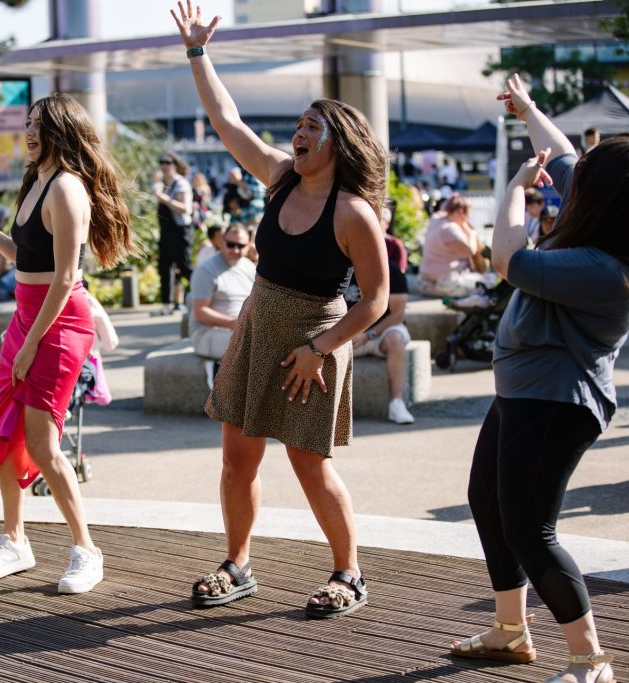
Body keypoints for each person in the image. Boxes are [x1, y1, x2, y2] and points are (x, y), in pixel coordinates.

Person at [171, 1, 389, 618]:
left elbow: (372, 300)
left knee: (308, 463)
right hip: (259, 324)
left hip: (313, 340)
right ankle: (237, 564)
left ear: (339, 142)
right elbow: (226, 118)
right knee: (236, 458)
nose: (300, 133)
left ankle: (349, 573)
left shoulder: (353, 213)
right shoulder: (280, 177)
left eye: (314, 127)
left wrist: (318, 350)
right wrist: (197, 52)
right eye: (300, 123)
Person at [449, 74, 629, 683]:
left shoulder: (603, 270)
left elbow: (507, 258)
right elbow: (565, 156)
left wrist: (516, 186)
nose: (578, 170)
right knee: (487, 504)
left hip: (556, 401)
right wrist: (528, 110)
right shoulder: (602, 219)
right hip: (523, 392)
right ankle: (511, 631)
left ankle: (590, 661)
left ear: (605, 196)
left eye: (590, 172)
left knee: (530, 529)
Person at [0, 92, 133, 595]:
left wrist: (29, 343)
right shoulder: (36, 181)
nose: (28, 132)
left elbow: (66, 277)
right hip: (28, 318)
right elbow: (25, 257)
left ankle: (87, 550)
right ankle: (14, 541)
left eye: (38, 125)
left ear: (60, 131)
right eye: (27, 122)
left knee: (43, 444)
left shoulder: (67, 188)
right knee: (4, 434)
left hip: (60, 323)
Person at [348, 239, 415, 425]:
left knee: (396, 339)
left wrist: (369, 334)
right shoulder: (339, 269)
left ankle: (397, 402)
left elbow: (398, 314)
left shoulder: (391, 270)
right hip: (347, 333)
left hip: (379, 333)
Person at [189, 224, 256, 362]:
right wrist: (233, 323)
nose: (235, 250)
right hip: (207, 332)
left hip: (242, 329)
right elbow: (200, 312)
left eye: (241, 245)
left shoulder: (249, 267)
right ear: (222, 242)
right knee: (255, 346)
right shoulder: (206, 270)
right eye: (231, 244)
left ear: (248, 246)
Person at [418, 194, 490, 298]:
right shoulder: (450, 229)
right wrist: (471, 232)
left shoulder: (436, 218)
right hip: (444, 282)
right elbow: (471, 250)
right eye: (467, 214)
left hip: (425, 281)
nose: (467, 218)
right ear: (461, 212)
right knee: (489, 282)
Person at [152, 152, 194, 316]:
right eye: (162, 162)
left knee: (184, 266)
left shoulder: (181, 184)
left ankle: (201, 295)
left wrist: (163, 198)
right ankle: (166, 304)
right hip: (166, 232)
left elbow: (186, 208)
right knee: (164, 267)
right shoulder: (163, 184)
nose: (164, 165)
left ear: (175, 165)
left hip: (180, 230)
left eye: (168, 162)